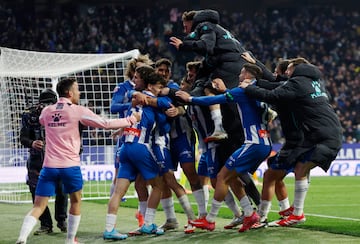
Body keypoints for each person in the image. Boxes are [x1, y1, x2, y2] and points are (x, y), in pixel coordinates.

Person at [16, 77, 140, 244]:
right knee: (75, 201)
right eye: (77, 89)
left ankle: (22, 238)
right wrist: (131, 120)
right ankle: (70, 240)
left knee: (38, 206)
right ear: (69, 92)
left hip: (49, 166)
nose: (79, 92)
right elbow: (105, 123)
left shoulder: (46, 112)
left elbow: (41, 121)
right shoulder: (77, 110)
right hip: (70, 166)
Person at [240, 59, 342, 226]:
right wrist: (256, 70)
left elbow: (273, 91)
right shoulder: (315, 83)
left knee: (284, 171)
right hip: (316, 136)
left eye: (288, 70)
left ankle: (282, 214)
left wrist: (250, 87)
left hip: (303, 140)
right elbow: (275, 84)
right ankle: (289, 210)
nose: (285, 73)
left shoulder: (295, 85)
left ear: (296, 69)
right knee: (282, 172)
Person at [177, 63, 272, 232]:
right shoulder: (260, 90)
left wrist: (190, 99)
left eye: (242, 72)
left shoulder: (243, 91)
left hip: (253, 142)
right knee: (232, 176)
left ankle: (211, 219)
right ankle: (250, 214)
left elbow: (214, 99)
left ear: (248, 75)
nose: (239, 74)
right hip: (265, 141)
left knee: (222, 177)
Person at [104, 66, 167, 240]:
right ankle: (148, 224)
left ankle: (109, 229)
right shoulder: (151, 100)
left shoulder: (134, 98)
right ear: (152, 85)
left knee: (119, 192)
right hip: (140, 146)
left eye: (137, 77)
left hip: (125, 147)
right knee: (158, 185)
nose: (161, 90)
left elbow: (132, 115)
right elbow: (164, 116)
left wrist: (121, 130)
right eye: (159, 87)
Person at [110, 54, 154, 227]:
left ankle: (142, 218)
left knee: (143, 181)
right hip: (126, 135)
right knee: (119, 177)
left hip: (143, 137)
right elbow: (113, 107)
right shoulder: (124, 87)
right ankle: (112, 221)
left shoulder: (148, 89)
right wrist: (132, 104)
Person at [20, 89, 68, 235]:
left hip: (58, 157)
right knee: (35, 190)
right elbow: (23, 138)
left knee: (61, 188)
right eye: (44, 104)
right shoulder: (29, 115)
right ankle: (46, 224)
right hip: (37, 159)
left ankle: (61, 220)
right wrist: (32, 142)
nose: (47, 108)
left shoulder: (65, 112)